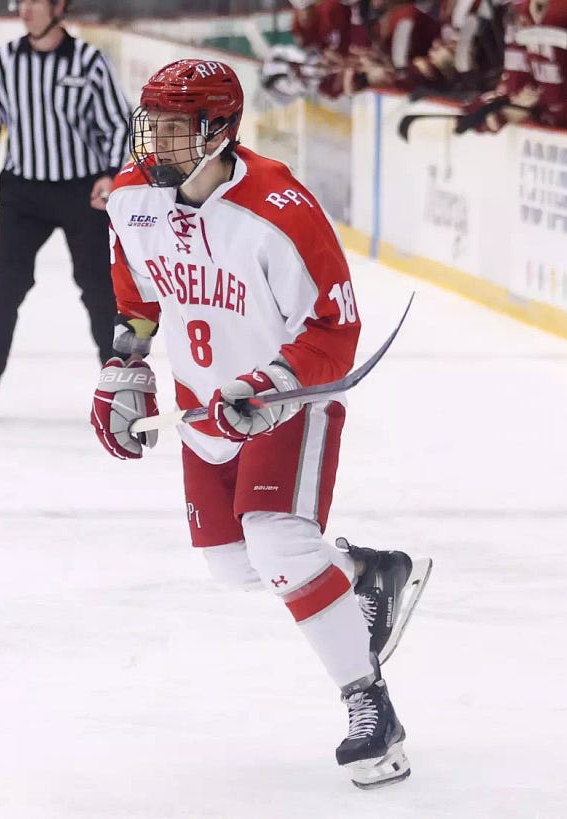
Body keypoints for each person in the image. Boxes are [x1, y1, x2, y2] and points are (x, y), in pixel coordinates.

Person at [89, 59, 432, 789]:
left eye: (175, 128)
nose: (155, 142)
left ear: (219, 131)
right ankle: (369, 574)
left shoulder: (279, 208)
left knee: (277, 538)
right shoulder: (132, 198)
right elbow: (137, 295)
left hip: (288, 399)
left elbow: (334, 323)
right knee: (231, 562)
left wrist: (270, 381)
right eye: (153, 124)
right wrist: (126, 366)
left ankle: (372, 709)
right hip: (201, 403)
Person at [0, 0, 131, 418]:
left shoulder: (89, 61)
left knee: (98, 288)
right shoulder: (3, 60)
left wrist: (110, 175)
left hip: (82, 191)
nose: (25, 9)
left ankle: (116, 379)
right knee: (2, 285)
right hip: (23, 194)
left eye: (36, 1)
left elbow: (117, 122)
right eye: (21, 2)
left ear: (59, 7)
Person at [456, 0, 567, 134]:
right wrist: (489, 109)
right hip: (548, 137)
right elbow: (515, 85)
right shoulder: (519, 12)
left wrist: (562, 111)